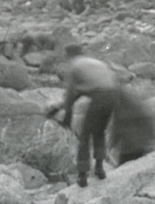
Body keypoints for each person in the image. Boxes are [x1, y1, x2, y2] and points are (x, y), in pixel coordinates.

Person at [48, 44, 121, 187]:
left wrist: (66, 118)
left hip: (100, 96)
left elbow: (70, 96)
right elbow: (81, 92)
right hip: (114, 96)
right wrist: (59, 108)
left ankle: (82, 175)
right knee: (99, 132)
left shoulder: (75, 66)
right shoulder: (93, 63)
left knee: (85, 136)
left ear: (69, 55)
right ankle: (100, 168)